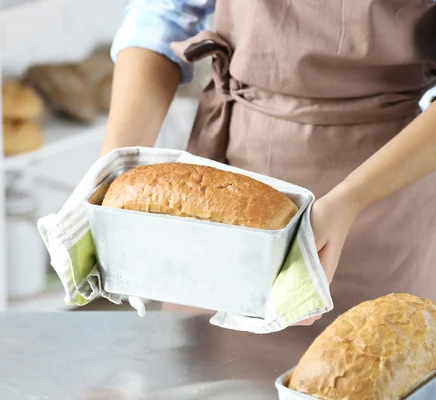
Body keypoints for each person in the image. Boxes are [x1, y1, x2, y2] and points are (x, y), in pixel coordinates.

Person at [100, 0, 436, 324]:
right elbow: (164, 12)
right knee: (201, 374)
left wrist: (350, 199)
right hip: (229, 170)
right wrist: (108, 172)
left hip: (384, 188)